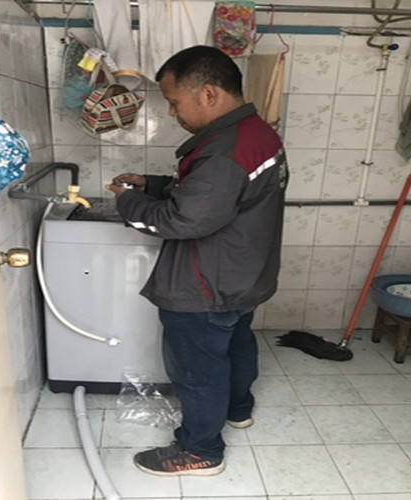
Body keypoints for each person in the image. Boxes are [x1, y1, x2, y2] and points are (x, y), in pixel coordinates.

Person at [105, 45, 289, 477]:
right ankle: (238, 409)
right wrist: (153, 184)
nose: (172, 113)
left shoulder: (225, 149)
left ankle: (200, 450)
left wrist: (128, 201)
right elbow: (219, 193)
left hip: (207, 283)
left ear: (208, 93)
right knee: (236, 345)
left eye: (174, 102)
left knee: (198, 368)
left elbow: (183, 219)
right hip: (244, 275)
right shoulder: (256, 134)